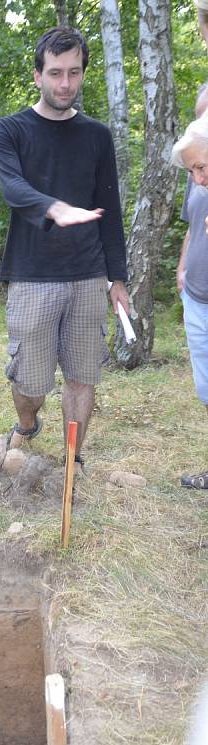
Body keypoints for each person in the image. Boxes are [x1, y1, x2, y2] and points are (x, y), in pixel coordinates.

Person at [0, 26, 129, 469]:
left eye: (73, 72)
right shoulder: (11, 130)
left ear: (83, 74)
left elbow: (110, 207)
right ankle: (28, 423)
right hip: (32, 274)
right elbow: (13, 188)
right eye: (55, 73)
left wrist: (118, 278)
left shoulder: (97, 136)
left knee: (82, 376)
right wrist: (54, 208)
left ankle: (73, 460)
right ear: (37, 76)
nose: (64, 83)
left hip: (88, 275)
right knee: (31, 385)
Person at [172, 90, 208, 488]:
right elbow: (191, 226)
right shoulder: (197, 176)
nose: (198, 178)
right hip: (197, 298)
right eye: (192, 171)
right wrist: (182, 268)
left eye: (200, 167)